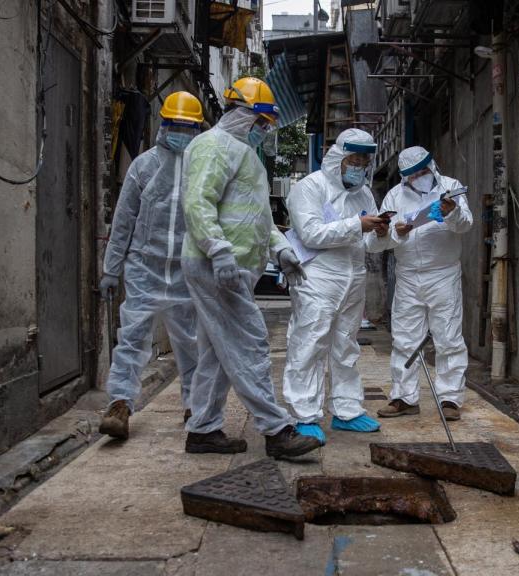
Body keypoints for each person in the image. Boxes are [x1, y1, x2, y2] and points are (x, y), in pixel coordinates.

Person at [180, 77, 320, 459]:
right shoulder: (213, 146)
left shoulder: (244, 155)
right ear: (243, 114)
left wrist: (281, 250)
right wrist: (219, 250)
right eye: (262, 122)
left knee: (217, 353)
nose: (264, 131)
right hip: (217, 265)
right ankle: (276, 430)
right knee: (251, 343)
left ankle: (203, 430)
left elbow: (258, 218)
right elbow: (198, 202)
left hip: (229, 265)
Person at [98, 91, 206, 440]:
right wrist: (111, 268)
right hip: (144, 267)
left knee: (191, 342)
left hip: (185, 269)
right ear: (164, 125)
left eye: (188, 127)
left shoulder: (202, 169)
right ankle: (119, 405)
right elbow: (123, 220)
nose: (181, 132)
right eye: (176, 125)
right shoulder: (143, 166)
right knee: (132, 337)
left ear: (197, 130)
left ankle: (195, 405)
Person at [282, 129, 391, 444]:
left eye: (364, 160)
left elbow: (368, 244)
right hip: (318, 278)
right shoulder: (309, 187)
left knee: (346, 346)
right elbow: (311, 234)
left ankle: (347, 411)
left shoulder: (363, 193)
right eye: (353, 159)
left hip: (353, 277)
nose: (359, 166)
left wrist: (381, 232)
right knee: (309, 344)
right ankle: (304, 416)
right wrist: (357, 225)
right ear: (337, 158)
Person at [376, 146, 473, 421]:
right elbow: (381, 239)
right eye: (413, 174)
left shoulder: (451, 187)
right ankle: (404, 397)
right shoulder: (394, 196)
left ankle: (450, 399)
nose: (419, 177)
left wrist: (452, 212)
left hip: (444, 273)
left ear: (432, 166)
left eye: (422, 171)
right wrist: (396, 232)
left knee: (448, 337)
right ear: (404, 176)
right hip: (407, 275)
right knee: (404, 338)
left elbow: (465, 224)